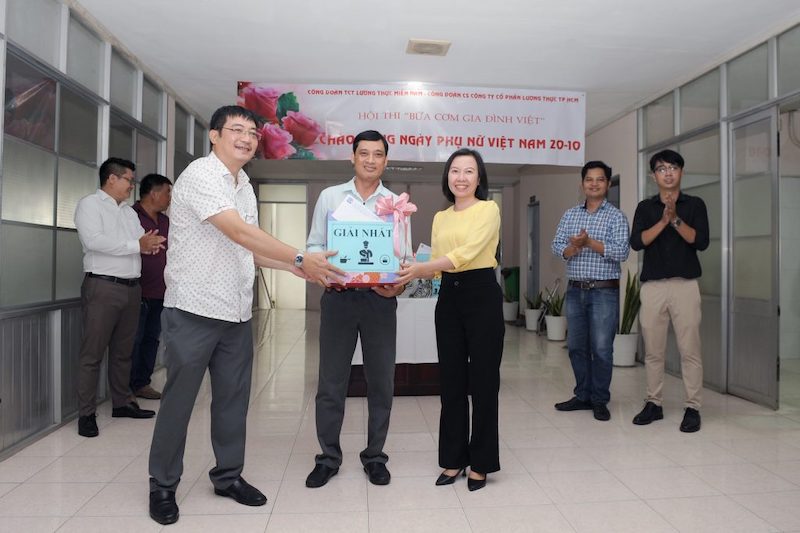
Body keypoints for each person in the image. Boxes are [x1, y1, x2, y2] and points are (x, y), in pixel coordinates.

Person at [147, 105, 342, 526]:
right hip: (194, 309)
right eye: (236, 130)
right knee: (179, 402)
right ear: (214, 136)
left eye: (253, 133)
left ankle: (228, 476)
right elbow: (236, 230)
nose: (247, 138)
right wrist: (299, 256)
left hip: (236, 312)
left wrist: (294, 267)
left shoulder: (244, 186)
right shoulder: (200, 175)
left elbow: (247, 248)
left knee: (233, 402)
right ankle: (162, 484)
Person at [304, 130, 408, 489]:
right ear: (352, 157)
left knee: (381, 382)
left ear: (385, 160)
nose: (370, 160)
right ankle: (328, 458)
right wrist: (323, 268)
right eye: (364, 153)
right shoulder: (331, 197)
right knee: (331, 382)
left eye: (378, 154)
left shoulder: (396, 203)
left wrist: (398, 284)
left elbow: (403, 258)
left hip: (380, 301)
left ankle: (375, 457)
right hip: (338, 298)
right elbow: (314, 244)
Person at [396, 148, 504, 492]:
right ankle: (453, 458)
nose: (461, 177)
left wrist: (423, 267)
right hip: (449, 297)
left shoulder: (489, 210)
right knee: (452, 381)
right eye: (455, 171)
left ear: (479, 177)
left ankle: (481, 462)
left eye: (468, 171)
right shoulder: (441, 217)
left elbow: (465, 254)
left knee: (484, 382)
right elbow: (436, 262)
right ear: (447, 177)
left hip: (481, 294)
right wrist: (406, 266)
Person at [74, 158, 166, 438]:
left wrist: (149, 245)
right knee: (92, 354)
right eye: (129, 180)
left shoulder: (127, 212)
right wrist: (136, 245)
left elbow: (140, 241)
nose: (131, 186)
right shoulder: (89, 205)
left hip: (132, 288)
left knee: (123, 352)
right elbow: (94, 241)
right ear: (111, 179)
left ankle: (122, 403)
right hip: (103, 286)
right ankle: (86, 414)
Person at [630, 149, 709, 433]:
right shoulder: (645, 207)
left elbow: (700, 242)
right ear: (654, 176)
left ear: (681, 172)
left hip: (685, 286)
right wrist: (663, 220)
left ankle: (693, 407)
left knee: (690, 350)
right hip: (653, 288)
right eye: (661, 169)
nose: (668, 173)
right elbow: (637, 242)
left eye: (673, 167)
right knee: (653, 351)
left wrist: (675, 218)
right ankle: (654, 403)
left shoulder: (695, 204)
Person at [551, 161, 630, 421]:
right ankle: (583, 395)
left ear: (607, 184)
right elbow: (557, 246)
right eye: (589, 179)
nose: (594, 184)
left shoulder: (616, 216)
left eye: (600, 179)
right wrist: (573, 248)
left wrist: (589, 242)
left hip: (603, 292)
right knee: (576, 347)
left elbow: (621, 251)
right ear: (582, 183)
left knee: (602, 348)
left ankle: (599, 399)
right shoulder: (570, 215)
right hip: (575, 291)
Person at [130, 173, 172, 400]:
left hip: (160, 292)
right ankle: (126, 388)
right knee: (133, 340)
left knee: (151, 339)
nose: (169, 198)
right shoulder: (131, 216)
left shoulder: (165, 222)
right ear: (154, 194)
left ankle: (142, 384)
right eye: (167, 193)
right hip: (137, 291)